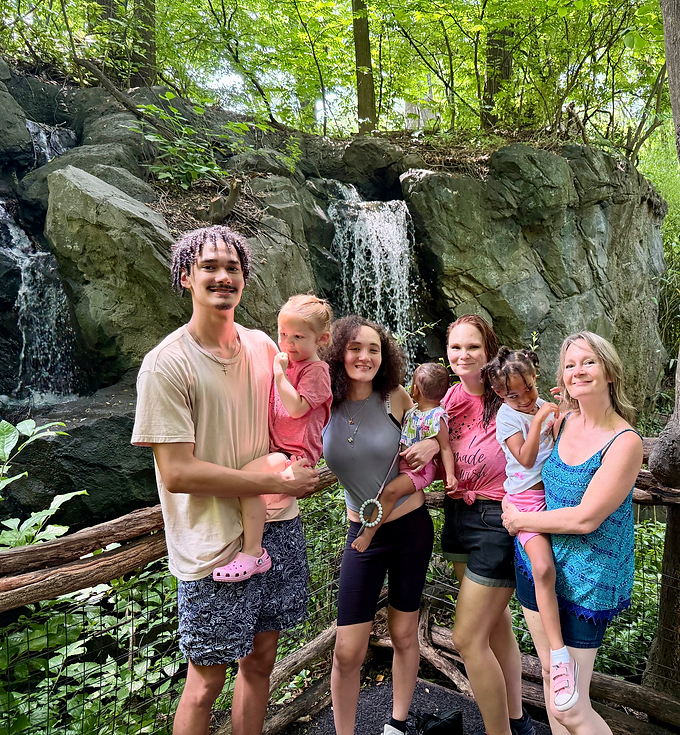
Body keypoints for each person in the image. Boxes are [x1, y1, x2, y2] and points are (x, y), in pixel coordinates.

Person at [131, 225, 319, 735]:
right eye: (209, 267)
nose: (222, 276)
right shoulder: (166, 365)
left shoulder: (262, 346)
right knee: (205, 681)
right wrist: (270, 482)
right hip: (213, 544)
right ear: (186, 276)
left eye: (232, 267)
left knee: (260, 661)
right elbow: (176, 472)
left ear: (244, 277)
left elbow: (299, 410)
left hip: (275, 526)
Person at [501, 332, 642, 735]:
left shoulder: (624, 441)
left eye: (588, 362)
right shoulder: (563, 420)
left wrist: (519, 520)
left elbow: (585, 519)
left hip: (589, 580)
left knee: (571, 706)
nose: (578, 370)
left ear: (609, 371)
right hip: (540, 565)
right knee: (548, 673)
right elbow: (519, 456)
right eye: (569, 364)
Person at [414, 314, 534, 735]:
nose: (463, 355)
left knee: (466, 638)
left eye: (473, 347)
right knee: (495, 625)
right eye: (455, 347)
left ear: (489, 351)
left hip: (496, 521)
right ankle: (518, 722)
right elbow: (432, 435)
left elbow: (545, 439)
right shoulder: (447, 397)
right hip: (458, 518)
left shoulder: (508, 398)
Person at [321, 316, 437, 735]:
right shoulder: (322, 403)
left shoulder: (396, 398)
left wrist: (433, 442)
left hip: (410, 529)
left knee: (405, 632)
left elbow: (434, 431)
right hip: (361, 538)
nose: (364, 357)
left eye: (373, 349)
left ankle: (397, 724)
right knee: (347, 650)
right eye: (355, 348)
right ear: (337, 353)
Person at [483, 347, 578, 712]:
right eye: (513, 395)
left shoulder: (544, 404)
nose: (524, 399)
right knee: (542, 568)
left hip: (554, 495)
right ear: (498, 393)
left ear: (535, 377)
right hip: (524, 502)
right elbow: (524, 458)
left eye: (528, 389)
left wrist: (561, 412)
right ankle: (558, 655)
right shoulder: (507, 419)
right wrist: (539, 419)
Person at [213, 293, 333, 581]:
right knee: (249, 485)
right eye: (283, 334)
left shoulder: (317, 371)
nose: (288, 343)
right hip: (278, 450)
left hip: (294, 456)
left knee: (246, 480)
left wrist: (279, 375)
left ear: (322, 339)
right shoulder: (290, 362)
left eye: (298, 337)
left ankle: (254, 553)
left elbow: (296, 407)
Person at [352, 361, 458, 553]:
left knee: (390, 491)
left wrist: (450, 476)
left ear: (415, 388)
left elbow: (445, 448)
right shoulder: (413, 411)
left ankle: (368, 533)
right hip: (404, 464)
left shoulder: (437, 418)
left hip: (419, 470)